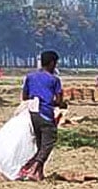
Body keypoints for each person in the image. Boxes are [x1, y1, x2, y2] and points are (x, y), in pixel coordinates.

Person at [19, 50, 65, 181]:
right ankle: (33, 169)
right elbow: (58, 100)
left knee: (39, 144)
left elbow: (24, 96)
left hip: (32, 114)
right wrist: (61, 104)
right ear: (52, 63)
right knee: (48, 143)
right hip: (45, 114)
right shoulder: (54, 80)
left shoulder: (30, 77)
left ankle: (39, 173)